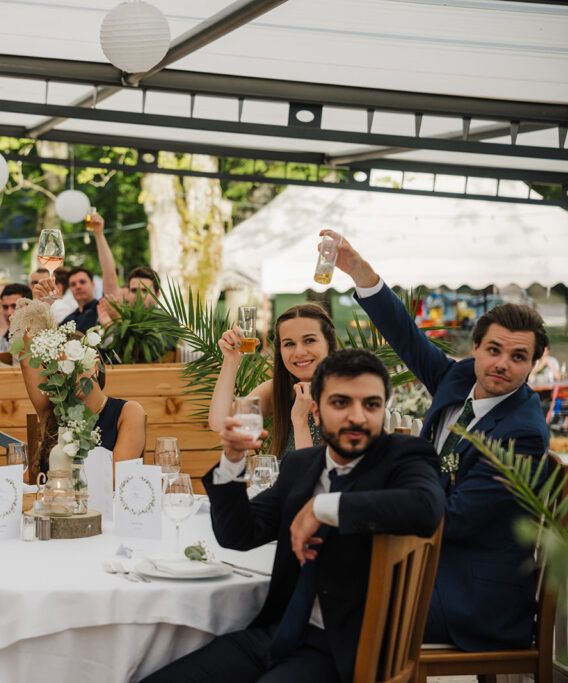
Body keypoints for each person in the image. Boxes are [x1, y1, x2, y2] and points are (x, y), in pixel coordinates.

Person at [145, 349, 444, 683]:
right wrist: (232, 460)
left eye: (371, 404)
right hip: (278, 634)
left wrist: (322, 507)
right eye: (341, 403)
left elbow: (426, 506)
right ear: (316, 410)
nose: (357, 417)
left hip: (344, 649)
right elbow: (239, 535)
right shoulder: (302, 465)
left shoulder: (405, 456)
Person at [332, 230, 549, 651]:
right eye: (494, 350)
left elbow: (457, 517)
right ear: (476, 347)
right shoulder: (461, 377)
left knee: (342, 605)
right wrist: (360, 272)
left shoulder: (522, 433)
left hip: (472, 593)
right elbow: (407, 338)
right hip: (427, 558)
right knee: (317, 577)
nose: (502, 364)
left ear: (533, 365)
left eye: (518, 357)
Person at [16, 295, 146, 470]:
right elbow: (27, 361)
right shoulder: (52, 413)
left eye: (74, 365)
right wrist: (40, 307)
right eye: (60, 371)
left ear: (95, 366)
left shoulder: (128, 413)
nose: (69, 376)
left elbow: (118, 477)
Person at [211, 303, 337, 457]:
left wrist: (299, 419)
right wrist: (231, 361)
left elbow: (310, 469)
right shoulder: (280, 389)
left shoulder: (349, 394)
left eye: (309, 340)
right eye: (289, 344)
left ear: (329, 343)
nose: (299, 352)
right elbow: (220, 423)